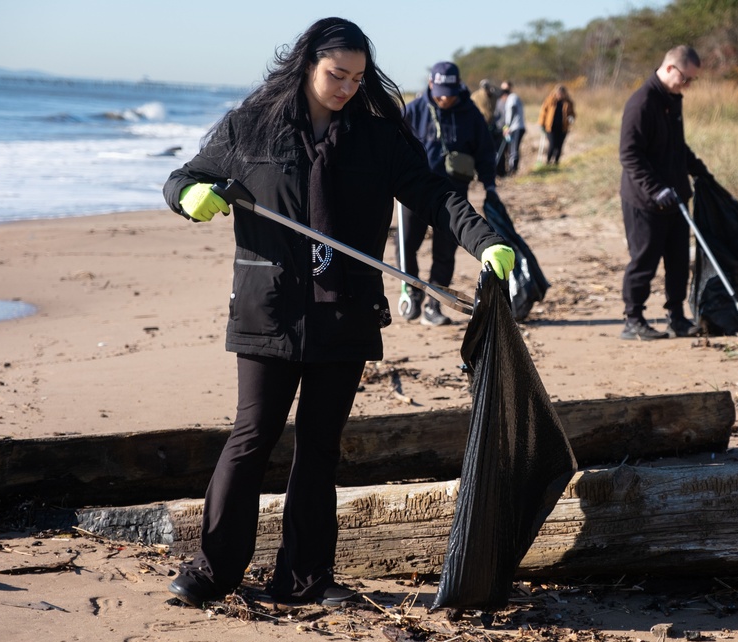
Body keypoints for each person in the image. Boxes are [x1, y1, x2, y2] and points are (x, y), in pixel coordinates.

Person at [160, 17, 514, 608]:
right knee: (252, 435)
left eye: (357, 77)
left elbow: (434, 194)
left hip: (345, 309)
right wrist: (190, 198)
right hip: (267, 308)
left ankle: (303, 578)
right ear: (306, 65)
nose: (346, 87)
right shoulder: (250, 128)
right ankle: (211, 572)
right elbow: (184, 177)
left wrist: (484, 240)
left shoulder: (378, 139)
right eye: (335, 74)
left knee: (320, 444)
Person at [618, 45, 711, 341]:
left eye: (692, 81)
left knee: (679, 262)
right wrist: (656, 189)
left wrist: (699, 170)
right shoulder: (641, 103)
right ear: (671, 68)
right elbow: (629, 154)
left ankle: (677, 317)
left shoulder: (673, 99)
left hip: (675, 198)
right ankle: (633, 320)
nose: (688, 86)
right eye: (687, 79)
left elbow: (675, 146)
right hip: (645, 200)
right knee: (643, 261)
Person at [398, 62, 498, 326]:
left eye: (450, 92)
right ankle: (412, 292)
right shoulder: (413, 110)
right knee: (406, 245)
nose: (445, 97)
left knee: (444, 252)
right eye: (440, 91)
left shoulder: (470, 114)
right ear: (431, 84)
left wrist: (490, 186)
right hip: (414, 192)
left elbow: (486, 153)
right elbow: (392, 148)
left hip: (453, 196)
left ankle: (434, 304)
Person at [537, 84, 575, 166]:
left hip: (562, 128)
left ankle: (556, 162)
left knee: (559, 146)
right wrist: (541, 124)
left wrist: (571, 118)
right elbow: (543, 113)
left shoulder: (568, 103)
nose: (560, 95)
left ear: (565, 94)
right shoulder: (549, 100)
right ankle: (548, 161)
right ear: (555, 93)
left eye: (562, 93)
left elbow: (572, 113)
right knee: (552, 144)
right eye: (558, 93)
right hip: (551, 127)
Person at [499, 80, 526, 174]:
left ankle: (513, 169)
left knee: (513, 149)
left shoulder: (512, 98)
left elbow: (511, 110)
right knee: (511, 149)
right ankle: (511, 168)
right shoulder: (512, 98)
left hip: (516, 127)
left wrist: (507, 126)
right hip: (514, 127)